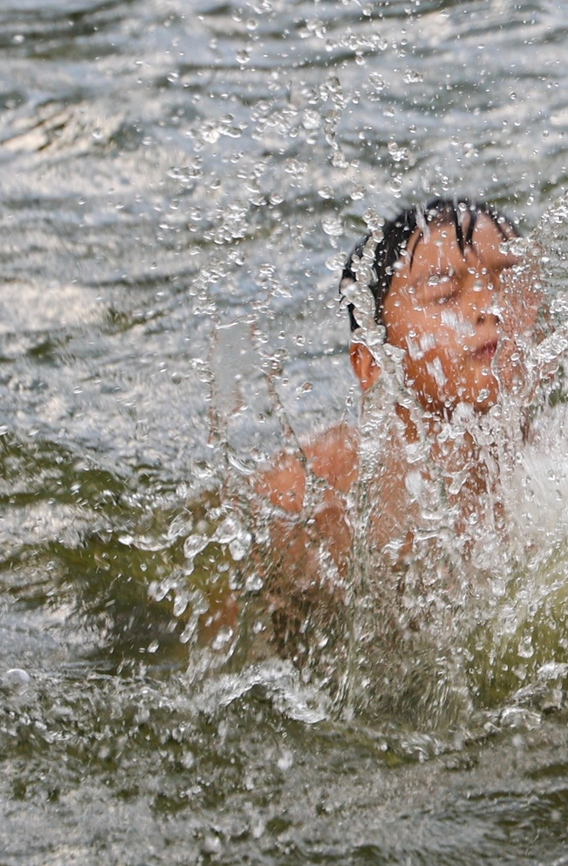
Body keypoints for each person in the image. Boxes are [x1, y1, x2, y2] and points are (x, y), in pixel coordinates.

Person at [201, 198, 538, 647]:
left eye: (508, 279)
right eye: (444, 291)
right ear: (373, 361)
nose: (488, 305)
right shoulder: (309, 501)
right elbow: (222, 639)